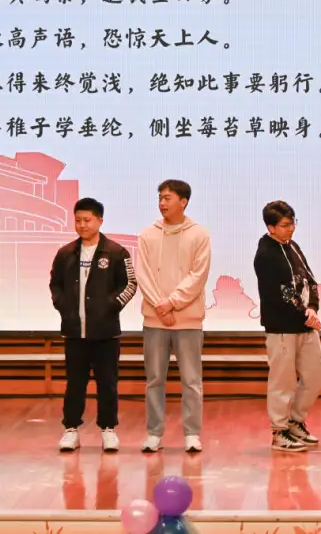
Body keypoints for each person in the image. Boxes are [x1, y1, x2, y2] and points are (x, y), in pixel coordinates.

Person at [49, 198, 138, 453]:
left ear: (100, 220)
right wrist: (63, 307)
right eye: (78, 220)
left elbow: (130, 284)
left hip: (105, 333)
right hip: (74, 333)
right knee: (74, 384)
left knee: (107, 383)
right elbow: (55, 285)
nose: (82, 225)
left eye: (87, 220)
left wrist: (110, 307)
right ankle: (71, 430)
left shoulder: (117, 252)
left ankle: (108, 429)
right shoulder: (65, 253)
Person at [137, 180, 211, 454]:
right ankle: (154, 433)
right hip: (155, 320)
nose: (162, 203)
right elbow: (143, 274)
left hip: (188, 320)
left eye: (167, 198)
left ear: (184, 201)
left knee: (191, 381)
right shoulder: (147, 234)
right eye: (160, 197)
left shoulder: (199, 234)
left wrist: (172, 303)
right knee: (155, 379)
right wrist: (161, 306)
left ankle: (192, 434)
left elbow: (198, 275)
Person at [254, 201, 321, 452]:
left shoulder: (293, 246)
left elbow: (310, 279)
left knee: (316, 377)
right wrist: (304, 314)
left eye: (293, 223)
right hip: (282, 328)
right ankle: (279, 431)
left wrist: (313, 308)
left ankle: (295, 421)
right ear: (271, 227)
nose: (291, 228)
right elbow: (280, 295)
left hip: (306, 325)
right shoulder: (265, 254)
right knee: (282, 382)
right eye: (285, 225)